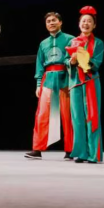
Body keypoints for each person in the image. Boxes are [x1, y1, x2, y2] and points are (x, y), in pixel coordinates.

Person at [25, 12, 74, 160]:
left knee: (68, 115)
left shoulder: (70, 39)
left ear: (60, 22)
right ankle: (37, 149)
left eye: (54, 20)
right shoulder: (43, 43)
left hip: (65, 79)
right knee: (42, 115)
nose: (51, 23)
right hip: (48, 80)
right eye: (48, 21)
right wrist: (38, 84)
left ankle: (70, 150)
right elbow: (39, 65)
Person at [69, 6, 104, 164]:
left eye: (89, 21)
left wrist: (84, 58)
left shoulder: (98, 43)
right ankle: (81, 153)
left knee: (92, 117)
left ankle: (93, 154)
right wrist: (71, 61)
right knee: (77, 118)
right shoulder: (72, 42)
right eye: (83, 21)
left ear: (94, 25)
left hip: (91, 81)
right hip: (76, 83)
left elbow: (96, 63)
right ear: (79, 24)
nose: (86, 23)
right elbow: (66, 62)